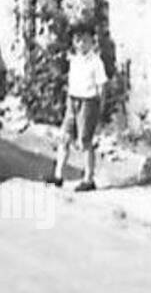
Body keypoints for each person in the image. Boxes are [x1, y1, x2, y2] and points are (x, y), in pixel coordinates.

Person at [46, 24, 109, 192]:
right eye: (78, 40)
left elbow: (102, 86)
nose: (81, 44)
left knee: (85, 142)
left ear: (92, 42)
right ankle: (58, 175)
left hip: (88, 102)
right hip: (72, 100)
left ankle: (88, 179)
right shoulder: (74, 59)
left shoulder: (96, 62)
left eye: (85, 40)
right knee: (64, 137)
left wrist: (100, 106)